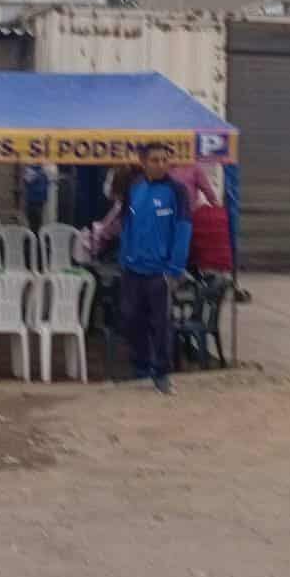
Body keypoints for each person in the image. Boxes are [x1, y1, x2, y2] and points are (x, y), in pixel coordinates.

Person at [118, 143, 192, 395]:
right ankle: (140, 368)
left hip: (160, 271)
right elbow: (126, 223)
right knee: (130, 319)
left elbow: (183, 231)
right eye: (155, 160)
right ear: (143, 162)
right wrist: (124, 257)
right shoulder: (134, 188)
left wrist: (175, 269)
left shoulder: (177, 192)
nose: (161, 164)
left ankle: (161, 372)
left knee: (160, 324)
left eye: (164, 160)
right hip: (133, 269)